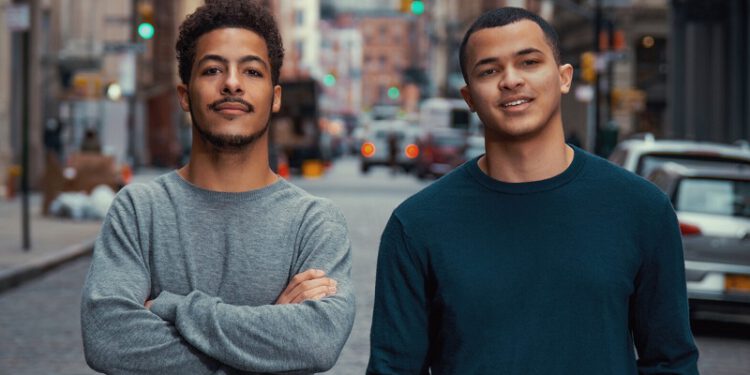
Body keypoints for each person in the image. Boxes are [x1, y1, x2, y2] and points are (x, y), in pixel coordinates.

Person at [368, 7, 698, 374]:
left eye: (528, 62)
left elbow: (672, 362)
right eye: (489, 70)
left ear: (563, 77)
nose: (511, 80)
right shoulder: (416, 225)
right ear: (469, 97)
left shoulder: (642, 209)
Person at [80, 1, 355, 374]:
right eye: (212, 69)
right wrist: (268, 335)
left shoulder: (314, 221)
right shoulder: (138, 210)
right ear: (184, 95)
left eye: (252, 71)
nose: (232, 82)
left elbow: (317, 342)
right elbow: (108, 339)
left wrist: (168, 308)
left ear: (275, 98)